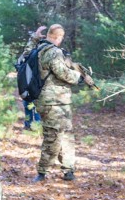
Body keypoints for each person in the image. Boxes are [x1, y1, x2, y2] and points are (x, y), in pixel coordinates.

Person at [32, 24, 93, 183]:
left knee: (66, 135)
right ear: (59, 37)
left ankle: (68, 170)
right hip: (54, 101)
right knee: (53, 136)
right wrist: (79, 77)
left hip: (54, 101)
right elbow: (62, 72)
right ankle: (42, 172)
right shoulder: (53, 52)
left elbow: (25, 55)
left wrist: (34, 38)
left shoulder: (38, 48)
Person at [18, 25, 47, 129]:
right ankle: (32, 125)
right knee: (30, 104)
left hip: (32, 82)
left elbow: (25, 53)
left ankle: (33, 125)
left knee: (32, 104)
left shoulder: (43, 51)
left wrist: (35, 37)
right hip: (33, 82)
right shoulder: (47, 51)